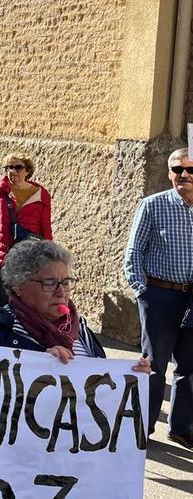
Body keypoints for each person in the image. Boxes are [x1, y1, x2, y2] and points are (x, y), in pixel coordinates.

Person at [0, 239, 150, 371]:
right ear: (18, 287)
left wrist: (130, 376)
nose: (61, 292)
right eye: (49, 283)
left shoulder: (78, 326)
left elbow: (101, 382)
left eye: (65, 282)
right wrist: (38, 363)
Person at [124, 148, 193, 447]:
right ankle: (144, 428)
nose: (184, 175)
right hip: (160, 295)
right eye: (178, 170)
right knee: (154, 366)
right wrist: (142, 290)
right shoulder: (153, 205)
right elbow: (133, 251)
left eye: (191, 170)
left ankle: (180, 427)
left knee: (189, 368)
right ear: (169, 173)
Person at [0, 151, 52, 310]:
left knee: (22, 298)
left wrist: (49, 253)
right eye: (9, 167)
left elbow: (45, 227)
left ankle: (16, 331)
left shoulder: (41, 195)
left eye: (18, 167)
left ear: (27, 170)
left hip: (26, 255)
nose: (13, 171)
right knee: (0, 296)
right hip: (0, 252)